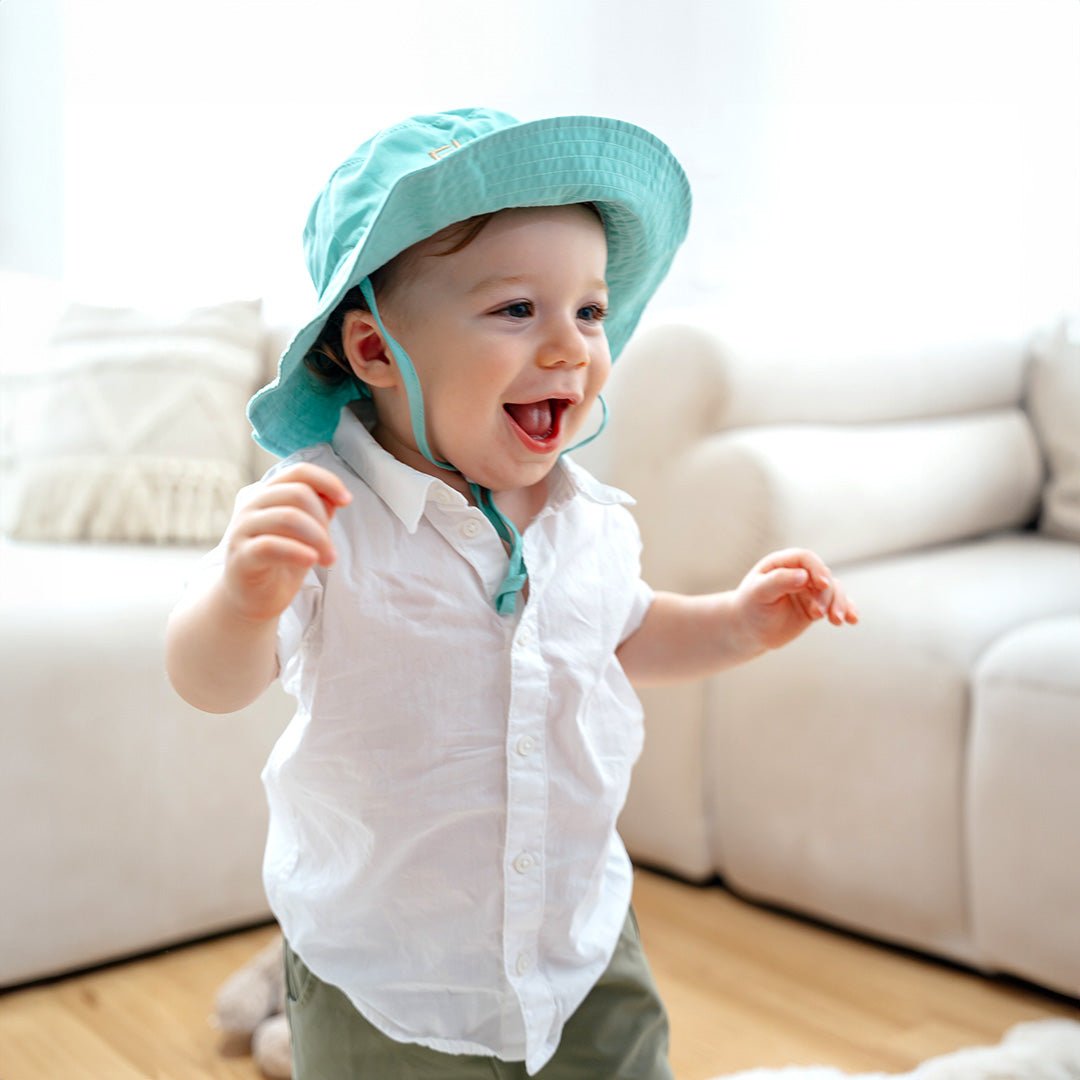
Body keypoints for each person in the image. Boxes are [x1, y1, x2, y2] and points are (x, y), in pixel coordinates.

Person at [166, 108, 858, 1079]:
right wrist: (241, 603)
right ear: (375, 352)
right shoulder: (322, 514)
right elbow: (209, 681)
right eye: (518, 310)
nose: (571, 347)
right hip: (386, 968)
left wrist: (737, 623)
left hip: (574, 938)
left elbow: (622, 634)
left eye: (590, 312)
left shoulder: (588, 517)